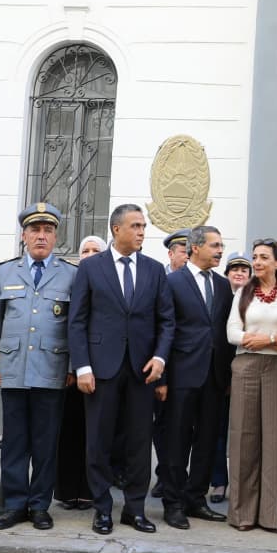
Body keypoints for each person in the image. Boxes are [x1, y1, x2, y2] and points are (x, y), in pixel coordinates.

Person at [67, 204, 175, 535]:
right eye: (136, 225)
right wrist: (82, 366)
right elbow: (78, 321)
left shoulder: (155, 269)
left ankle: (135, 508)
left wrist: (160, 359)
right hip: (101, 368)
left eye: (143, 226)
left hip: (142, 370)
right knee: (98, 441)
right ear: (116, 229)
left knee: (139, 442)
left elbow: (166, 320)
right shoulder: (91, 268)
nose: (143, 231)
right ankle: (102, 509)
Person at [0, 203, 78, 531]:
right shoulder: (5, 271)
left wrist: (71, 366)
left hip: (52, 369)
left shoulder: (70, 274)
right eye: (35, 230)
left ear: (55, 237)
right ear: (24, 235)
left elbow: (74, 326)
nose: (41, 236)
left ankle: (39, 505)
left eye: (48, 231)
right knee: (14, 442)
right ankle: (13, 505)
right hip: (13, 368)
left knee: (44, 443)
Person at [159, 225, 235, 530]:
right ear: (195, 247)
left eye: (221, 245)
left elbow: (225, 333)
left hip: (214, 377)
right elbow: (164, 329)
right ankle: (172, 502)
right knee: (176, 441)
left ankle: (195, 498)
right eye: (215, 245)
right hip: (180, 375)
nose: (220, 251)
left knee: (207, 440)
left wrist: (227, 374)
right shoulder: (172, 282)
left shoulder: (223, 284)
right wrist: (161, 378)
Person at [225, 239, 277, 531]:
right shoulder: (244, 293)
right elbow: (232, 331)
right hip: (245, 365)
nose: (256, 262)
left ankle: (272, 517)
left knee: (275, 440)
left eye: (264, 257)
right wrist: (254, 341)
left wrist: (272, 341)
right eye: (254, 257)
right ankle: (242, 514)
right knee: (243, 438)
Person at [54, 235, 106, 511]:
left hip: (98, 368)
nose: (89, 254)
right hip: (71, 369)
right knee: (67, 432)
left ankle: (88, 490)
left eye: (95, 250)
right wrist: (71, 366)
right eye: (84, 250)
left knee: (92, 433)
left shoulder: (108, 281)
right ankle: (65, 490)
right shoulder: (69, 280)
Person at [150, 227, 191, 499]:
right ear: (171, 253)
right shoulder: (159, 280)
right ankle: (164, 475)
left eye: (190, 251)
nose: (187, 256)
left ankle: (178, 477)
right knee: (162, 426)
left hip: (188, 369)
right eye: (183, 251)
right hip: (162, 367)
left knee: (185, 427)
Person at [209, 251, 252, 505]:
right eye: (234, 269)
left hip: (247, 376)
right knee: (218, 433)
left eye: (244, 270)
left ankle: (243, 484)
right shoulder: (219, 297)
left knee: (244, 433)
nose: (239, 273)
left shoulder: (256, 300)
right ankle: (218, 482)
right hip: (220, 377)